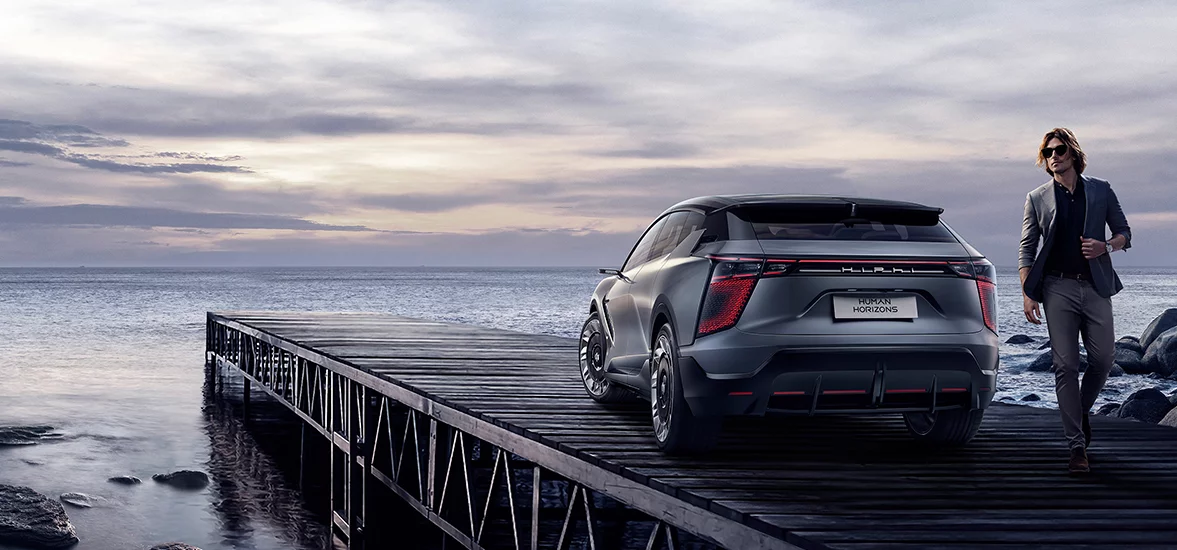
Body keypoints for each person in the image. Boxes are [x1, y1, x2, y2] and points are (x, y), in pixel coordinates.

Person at [1019, 127, 1132, 474]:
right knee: (1065, 365)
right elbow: (1027, 247)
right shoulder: (1037, 197)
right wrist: (1027, 291)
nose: (1054, 156)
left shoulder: (1100, 190)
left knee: (1103, 360)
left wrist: (1106, 246)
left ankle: (1079, 411)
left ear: (1073, 154)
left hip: (1096, 285)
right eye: (1048, 151)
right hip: (1057, 288)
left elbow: (1125, 233)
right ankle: (1076, 447)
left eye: (1060, 150)